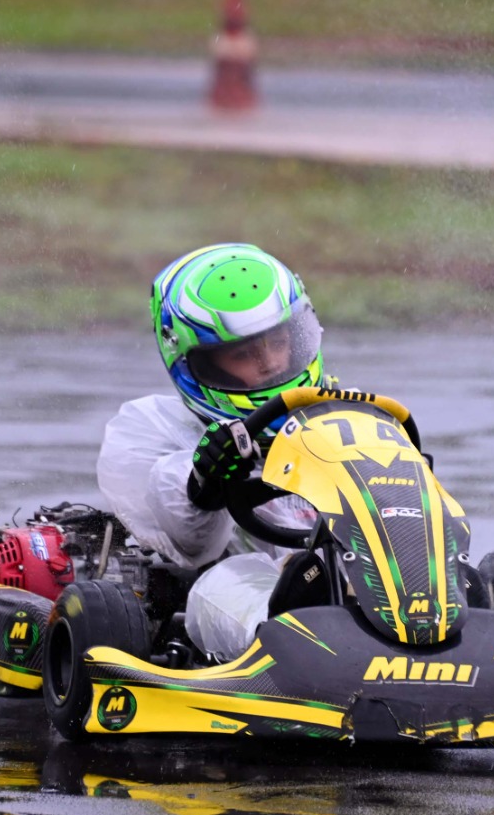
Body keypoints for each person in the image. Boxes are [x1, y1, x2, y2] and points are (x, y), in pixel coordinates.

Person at [96, 243, 331, 660]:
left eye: (278, 341)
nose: (270, 364)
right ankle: (290, 636)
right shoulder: (148, 427)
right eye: (244, 353)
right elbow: (192, 546)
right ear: (196, 364)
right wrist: (204, 482)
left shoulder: (339, 413)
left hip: (346, 575)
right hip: (231, 593)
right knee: (228, 581)